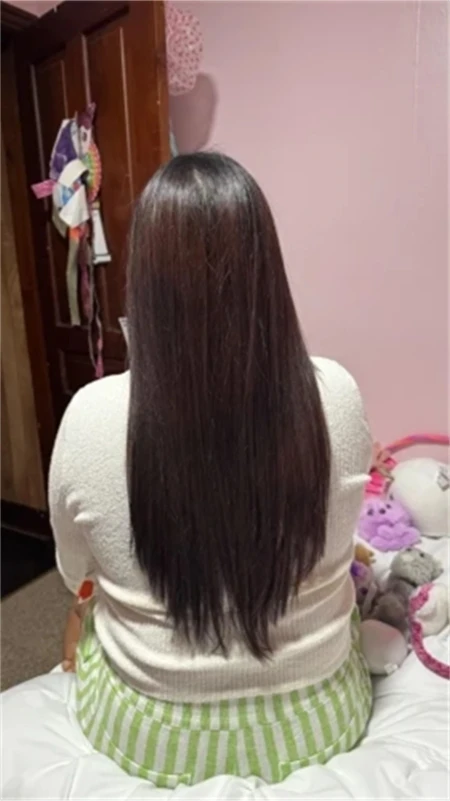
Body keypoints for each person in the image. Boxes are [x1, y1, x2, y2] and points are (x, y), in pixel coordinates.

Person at [50, 152, 372, 788]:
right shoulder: (336, 394)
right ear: (265, 269)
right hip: (318, 719)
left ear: (143, 281)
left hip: (153, 732)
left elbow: (74, 570)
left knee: (85, 611)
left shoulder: (90, 416)